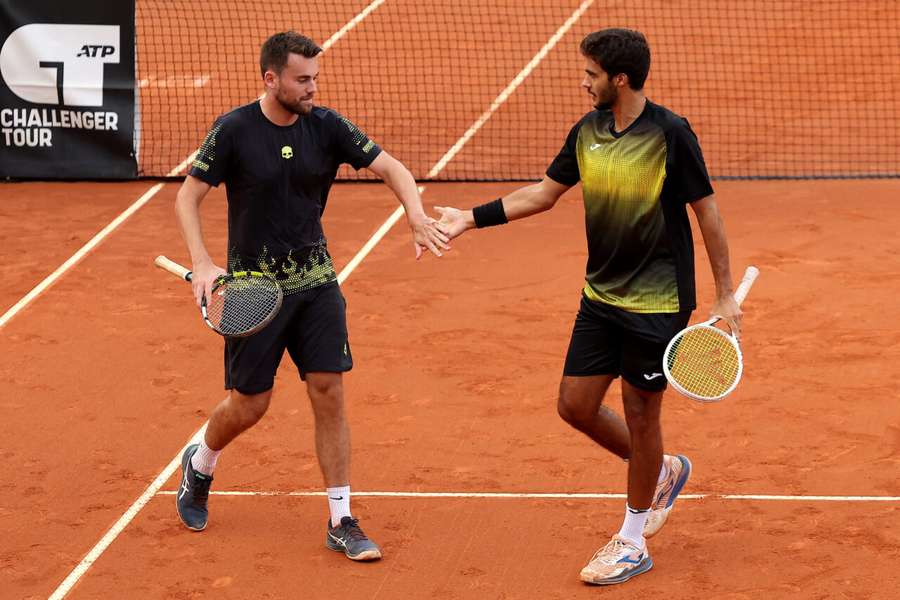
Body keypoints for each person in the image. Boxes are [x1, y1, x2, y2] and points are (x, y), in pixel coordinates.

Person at [434, 28, 741, 585]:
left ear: (618, 79)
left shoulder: (671, 134)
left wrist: (723, 293)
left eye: (591, 74)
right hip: (599, 296)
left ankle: (631, 540)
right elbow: (543, 193)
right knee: (574, 405)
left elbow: (708, 213)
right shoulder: (588, 130)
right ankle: (665, 472)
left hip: (657, 300)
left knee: (642, 413)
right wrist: (469, 219)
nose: (583, 82)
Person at [172, 31, 449, 562]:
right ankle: (202, 460)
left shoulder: (326, 126)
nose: (311, 89)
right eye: (302, 80)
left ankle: (341, 518)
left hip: (317, 282)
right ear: (270, 78)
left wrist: (415, 216)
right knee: (250, 404)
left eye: (315, 78)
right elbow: (188, 197)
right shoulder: (233, 131)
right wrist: (205, 263)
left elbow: (393, 168)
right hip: (255, 291)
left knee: (329, 391)